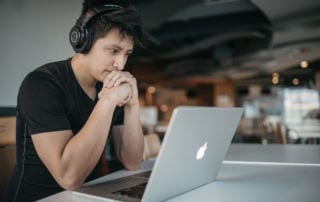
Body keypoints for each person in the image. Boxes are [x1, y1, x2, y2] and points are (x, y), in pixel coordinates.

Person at [5, 0, 148, 201]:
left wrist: (133, 104)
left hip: (88, 195)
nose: (121, 63)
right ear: (83, 40)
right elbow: (69, 177)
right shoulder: (41, 84)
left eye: (127, 54)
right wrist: (106, 101)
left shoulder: (108, 84)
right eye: (113, 51)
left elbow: (132, 162)